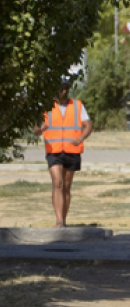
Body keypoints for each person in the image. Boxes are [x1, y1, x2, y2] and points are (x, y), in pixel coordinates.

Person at [33, 80, 93, 227]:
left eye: (66, 88)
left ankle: (63, 221)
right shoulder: (46, 107)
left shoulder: (77, 105)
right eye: (60, 89)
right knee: (57, 183)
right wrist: (40, 129)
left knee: (66, 186)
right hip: (53, 150)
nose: (63, 91)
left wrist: (80, 138)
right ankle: (59, 221)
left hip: (72, 150)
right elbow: (36, 130)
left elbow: (88, 126)